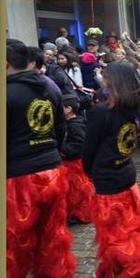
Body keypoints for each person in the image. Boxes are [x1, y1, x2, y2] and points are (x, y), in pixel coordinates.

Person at [81, 61, 140, 278]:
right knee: (125, 226)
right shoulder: (134, 107)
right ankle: (109, 269)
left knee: (114, 232)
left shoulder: (102, 111)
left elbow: (89, 148)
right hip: (126, 173)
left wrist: (89, 171)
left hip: (108, 179)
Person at [6, 38, 74, 278]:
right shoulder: (50, 88)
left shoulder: (7, 93)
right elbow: (60, 129)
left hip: (19, 175)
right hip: (52, 169)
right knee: (53, 227)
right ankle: (56, 271)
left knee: (16, 233)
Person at [59, 94, 94, 225]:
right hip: (70, 161)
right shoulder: (72, 123)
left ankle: (81, 213)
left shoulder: (75, 125)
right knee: (71, 189)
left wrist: (63, 150)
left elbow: (79, 144)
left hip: (74, 162)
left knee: (78, 189)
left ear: (68, 109)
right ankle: (73, 212)